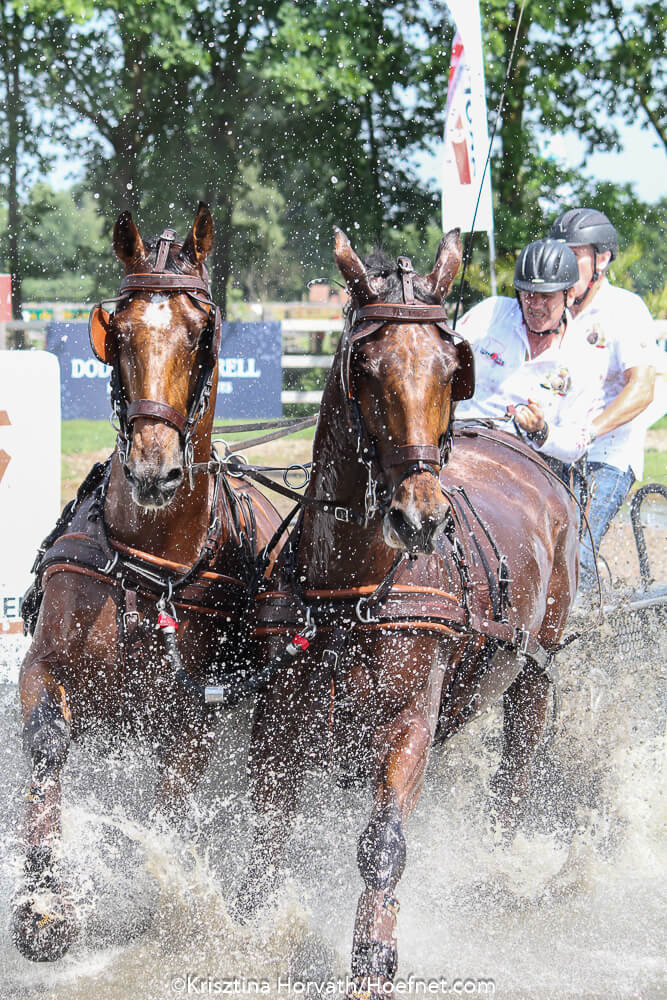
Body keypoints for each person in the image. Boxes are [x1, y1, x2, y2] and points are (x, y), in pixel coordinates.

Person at [548, 208, 658, 592]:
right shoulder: (551, 309)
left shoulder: (624, 310)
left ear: (602, 258)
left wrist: (589, 432)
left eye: (574, 255)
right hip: (554, 449)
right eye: (558, 254)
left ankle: (592, 637)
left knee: (573, 549)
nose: (562, 265)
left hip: (607, 455)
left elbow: (643, 388)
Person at [455, 238, 607, 484]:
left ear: (569, 296)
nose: (535, 305)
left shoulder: (585, 359)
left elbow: (578, 443)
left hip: (528, 469)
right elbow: (443, 351)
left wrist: (541, 430)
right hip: (461, 444)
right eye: (529, 295)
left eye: (546, 296)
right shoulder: (491, 312)